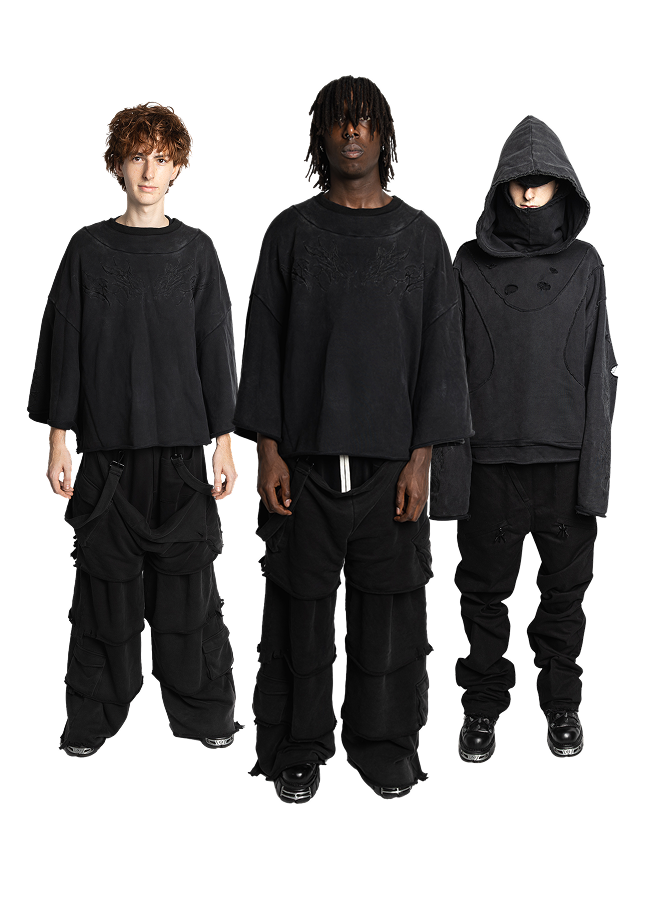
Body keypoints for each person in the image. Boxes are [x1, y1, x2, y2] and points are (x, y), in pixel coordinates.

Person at [232, 75, 473, 802]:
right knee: (299, 618)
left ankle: (385, 745)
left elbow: (441, 357)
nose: (352, 132)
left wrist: (422, 460)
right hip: (304, 466)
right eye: (340, 121)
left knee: (390, 620)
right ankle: (299, 746)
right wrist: (266, 450)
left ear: (383, 136)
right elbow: (263, 347)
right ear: (321, 135)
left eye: (365, 121)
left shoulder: (422, 236)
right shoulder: (288, 231)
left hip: (391, 466)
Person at [27, 102, 243, 757]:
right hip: (106, 456)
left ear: (178, 169)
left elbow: (216, 351)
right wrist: (58, 439)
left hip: (185, 457)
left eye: (161, 158)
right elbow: (64, 346)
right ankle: (91, 721)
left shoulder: (197, 250)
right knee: (103, 598)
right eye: (137, 156)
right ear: (116, 164)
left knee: (191, 599)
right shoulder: (87, 248)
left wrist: (224, 441)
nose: (148, 170)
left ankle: (205, 715)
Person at [452, 114, 618, 762]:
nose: (527, 192)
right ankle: (480, 707)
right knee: (481, 596)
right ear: (500, 185)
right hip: (488, 457)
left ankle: (562, 706)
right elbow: (446, 373)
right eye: (517, 181)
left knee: (564, 599)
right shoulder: (465, 261)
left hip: (564, 459)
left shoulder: (585, 264)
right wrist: (445, 473)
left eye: (540, 181)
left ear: (562, 187)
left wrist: (596, 476)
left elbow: (601, 371)